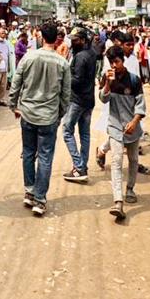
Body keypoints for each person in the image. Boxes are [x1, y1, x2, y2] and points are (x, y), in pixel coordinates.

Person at [9, 22, 71, 216]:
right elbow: (66, 95)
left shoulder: (29, 57)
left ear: (41, 37)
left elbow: (16, 83)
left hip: (28, 113)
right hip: (48, 117)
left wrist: (14, 106)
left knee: (28, 153)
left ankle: (29, 191)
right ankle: (40, 199)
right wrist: (59, 114)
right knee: (45, 157)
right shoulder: (62, 63)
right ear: (57, 39)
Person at [99, 45, 145, 221]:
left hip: (132, 127)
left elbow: (141, 105)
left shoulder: (134, 80)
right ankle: (118, 201)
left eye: (116, 62)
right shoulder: (108, 77)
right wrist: (108, 84)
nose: (114, 65)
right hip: (115, 126)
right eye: (111, 62)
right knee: (116, 161)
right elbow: (103, 99)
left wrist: (135, 121)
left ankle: (130, 188)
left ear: (122, 60)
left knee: (133, 160)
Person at [63, 26, 96, 183]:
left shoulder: (82, 56)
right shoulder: (90, 53)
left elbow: (77, 81)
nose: (72, 42)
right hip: (88, 100)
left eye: (75, 40)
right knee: (85, 134)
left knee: (67, 131)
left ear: (83, 40)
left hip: (78, 100)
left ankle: (79, 166)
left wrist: (64, 78)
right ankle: (82, 166)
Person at [0, 27, 11, 105]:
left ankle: (2, 99)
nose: (4, 34)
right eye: (2, 33)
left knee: (3, 84)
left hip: (5, 66)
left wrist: (9, 66)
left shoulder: (7, 42)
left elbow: (8, 55)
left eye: (4, 32)